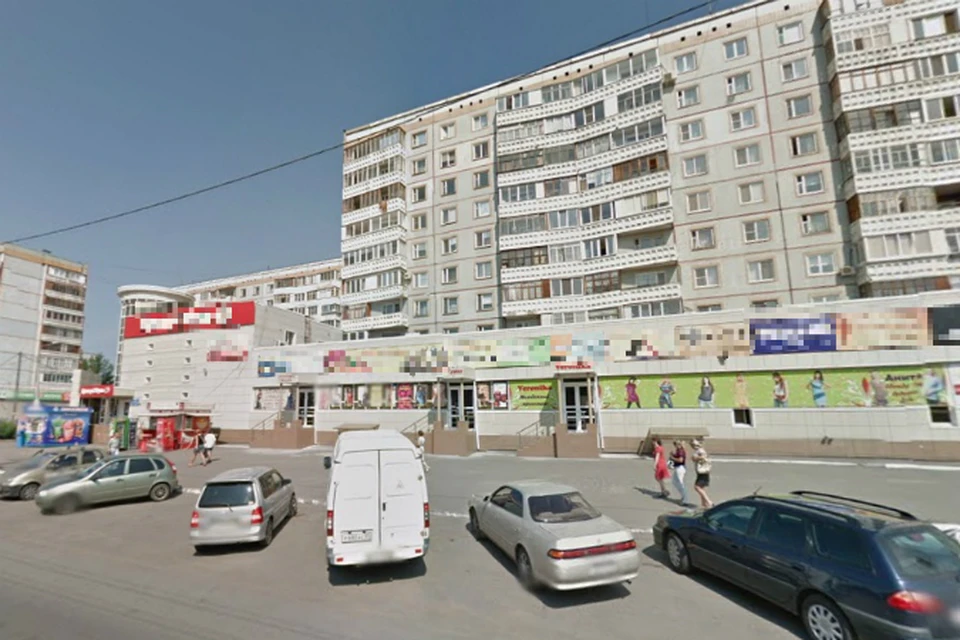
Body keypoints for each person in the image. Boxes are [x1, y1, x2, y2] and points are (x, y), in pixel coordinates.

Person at [690, 439, 713, 508]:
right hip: (702, 472)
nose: (694, 446)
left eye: (696, 445)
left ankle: (709, 502)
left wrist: (695, 457)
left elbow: (703, 457)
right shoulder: (699, 450)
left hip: (703, 472)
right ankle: (704, 504)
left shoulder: (700, 451)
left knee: (697, 487)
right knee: (701, 488)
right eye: (693, 445)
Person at [670, 440, 689, 506]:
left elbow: (680, 460)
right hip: (678, 468)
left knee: (680, 484)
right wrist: (673, 455)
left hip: (680, 468)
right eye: (675, 444)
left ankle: (685, 500)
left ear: (679, 445)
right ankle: (683, 497)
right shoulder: (679, 450)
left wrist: (672, 457)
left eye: (676, 444)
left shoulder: (680, 451)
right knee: (674, 481)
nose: (675, 446)